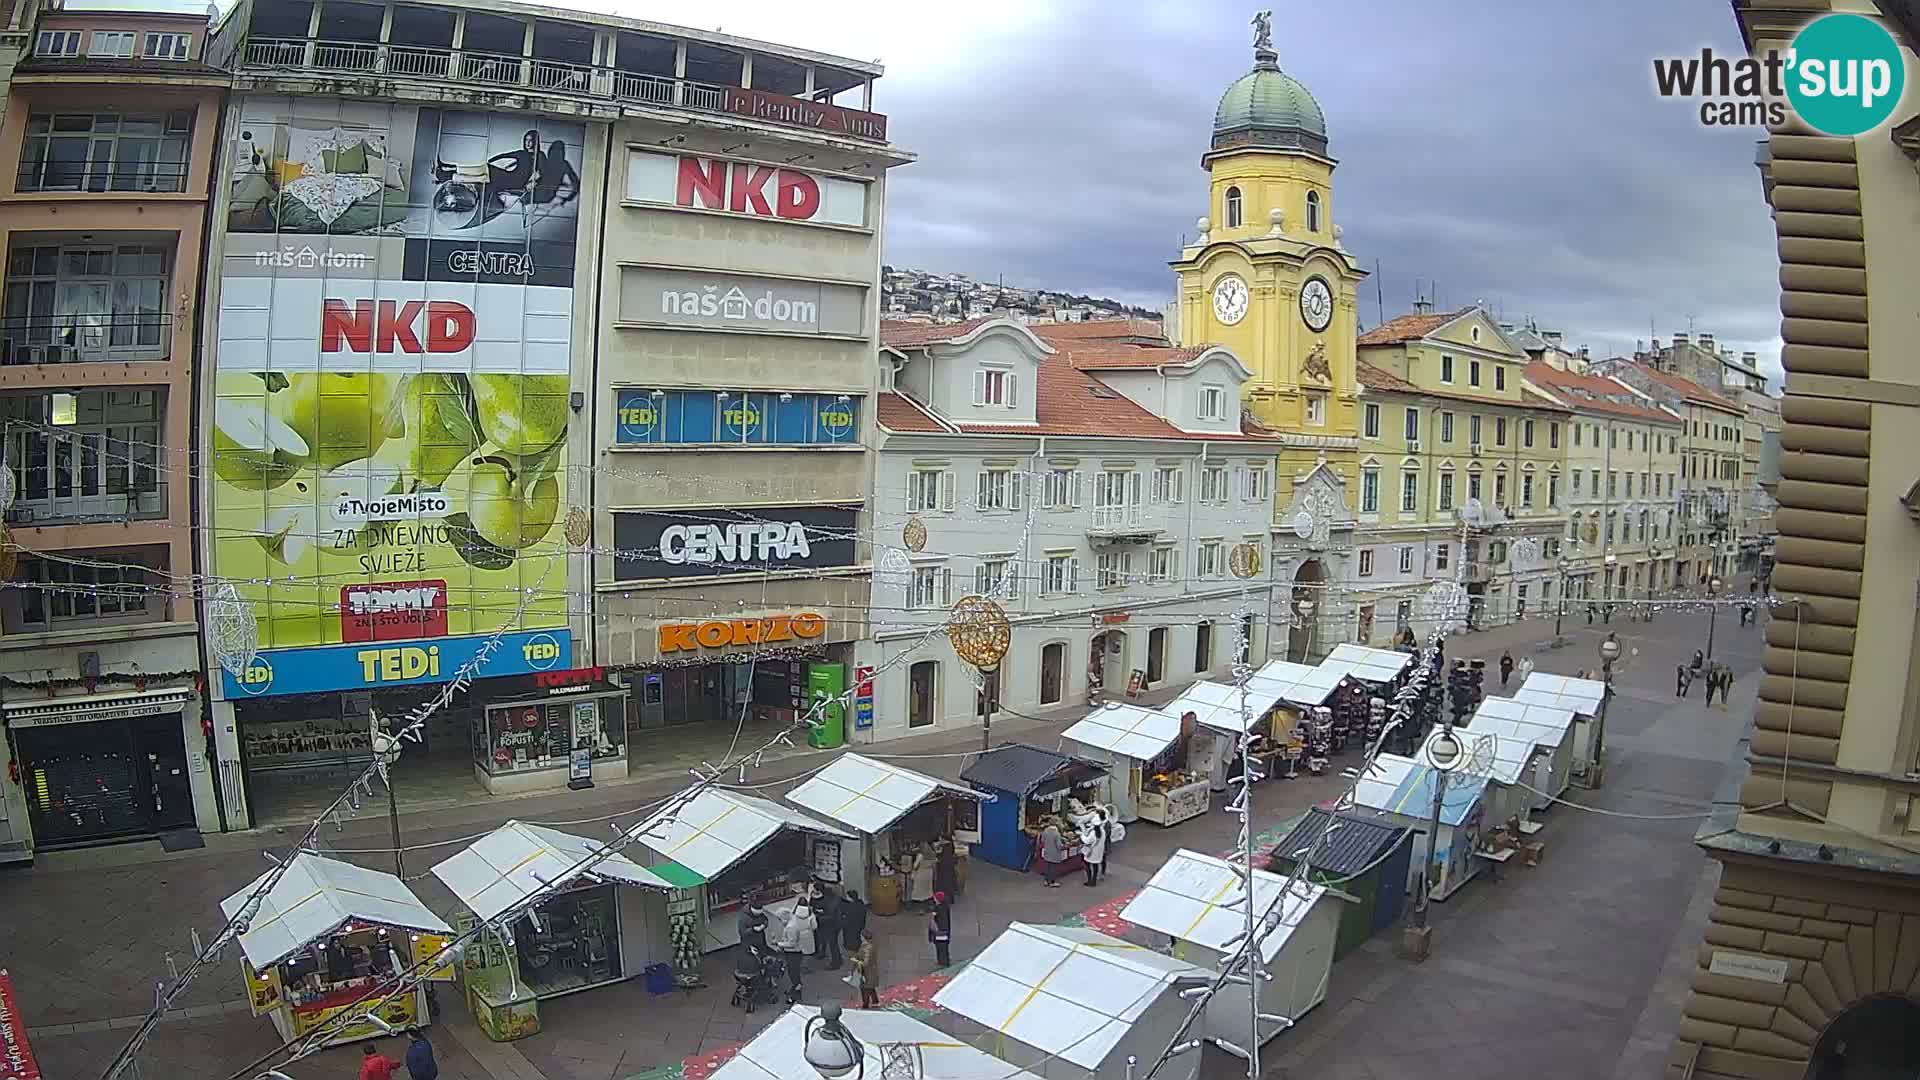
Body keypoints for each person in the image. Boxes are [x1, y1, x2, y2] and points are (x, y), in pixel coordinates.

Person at [814, 882, 844, 970]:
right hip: (834, 924)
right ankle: (827, 955)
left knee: (833, 945)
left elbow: (830, 916)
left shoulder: (830, 901)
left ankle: (835, 963)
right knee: (828, 941)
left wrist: (818, 917)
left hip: (831, 926)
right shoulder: (834, 898)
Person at [851, 928, 880, 1009]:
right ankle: (875, 1001)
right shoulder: (868, 945)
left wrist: (856, 961)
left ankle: (865, 1005)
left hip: (867, 973)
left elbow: (866, 963)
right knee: (871, 988)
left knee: (865, 989)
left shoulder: (867, 948)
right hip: (871, 972)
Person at [789, 900, 819, 975]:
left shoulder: (794, 914)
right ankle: (804, 967)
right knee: (806, 953)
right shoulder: (810, 915)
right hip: (807, 935)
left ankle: (796, 965)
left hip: (796, 933)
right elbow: (814, 926)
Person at [1036, 819, 1067, 888]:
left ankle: (1046, 881)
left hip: (1047, 852)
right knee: (1053, 867)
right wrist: (1064, 846)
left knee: (1047, 866)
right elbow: (1059, 846)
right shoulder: (1057, 834)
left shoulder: (1045, 831)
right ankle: (1052, 882)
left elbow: (1042, 841)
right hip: (1054, 853)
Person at [1080, 813, 1107, 886]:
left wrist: (1082, 835)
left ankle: (1089, 880)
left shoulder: (1093, 833)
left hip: (1091, 852)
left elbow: (1087, 841)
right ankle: (1094, 880)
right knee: (1095, 866)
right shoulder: (1102, 831)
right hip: (1099, 852)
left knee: (1087, 865)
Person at [840, 889, 868, 958]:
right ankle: (857, 947)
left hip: (851, 927)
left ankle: (853, 951)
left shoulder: (849, 908)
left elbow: (846, 919)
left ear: (850, 898)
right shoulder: (861, 903)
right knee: (857, 936)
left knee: (851, 938)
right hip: (860, 924)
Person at [928, 892, 953, 968]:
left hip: (939, 931)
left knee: (939, 946)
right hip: (945, 931)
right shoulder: (946, 907)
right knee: (944, 946)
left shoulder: (936, 908)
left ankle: (942, 961)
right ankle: (945, 960)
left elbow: (933, 920)